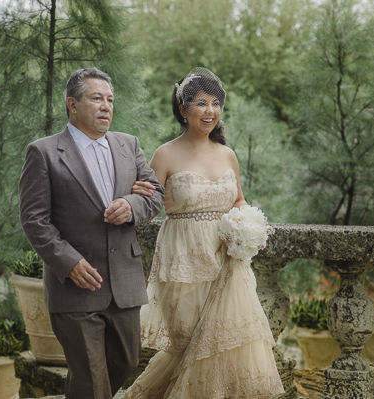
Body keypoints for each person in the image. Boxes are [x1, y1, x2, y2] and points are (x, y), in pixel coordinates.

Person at [124, 68, 284, 399]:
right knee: (186, 346)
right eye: (201, 103)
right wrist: (135, 195)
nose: (210, 111)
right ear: (183, 109)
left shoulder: (227, 154)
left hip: (228, 265)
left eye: (215, 103)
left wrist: (246, 225)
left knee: (224, 349)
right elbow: (149, 204)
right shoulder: (165, 154)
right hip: (183, 265)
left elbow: (238, 199)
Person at [19, 67, 164, 399]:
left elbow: (155, 193)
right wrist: (68, 262)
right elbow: (34, 220)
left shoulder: (129, 145)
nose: (106, 106)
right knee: (92, 377)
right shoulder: (43, 152)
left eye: (110, 100)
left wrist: (131, 205)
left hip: (125, 283)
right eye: (96, 98)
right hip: (76, 285)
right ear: (72, 104)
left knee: (126, 362)